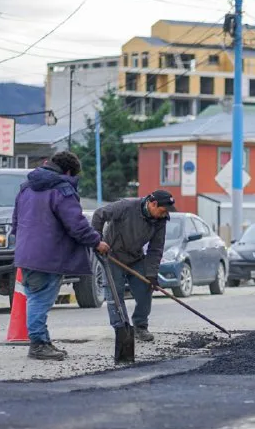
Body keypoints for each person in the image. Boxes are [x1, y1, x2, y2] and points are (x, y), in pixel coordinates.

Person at [12, 151, 110, 361]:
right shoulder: (61, 190)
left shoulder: (26, 188)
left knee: (34, 296)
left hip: (25, 252)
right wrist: (96, 241)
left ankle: (43, 340)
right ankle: (38, 344)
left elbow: (15, 221)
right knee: (40, 299)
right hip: (47, 256)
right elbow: (76, 224)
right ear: (68, 171)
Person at [91, 190, 174, 342]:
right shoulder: (126, 206)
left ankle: (140, 326)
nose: (164, 214)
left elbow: (155, 249)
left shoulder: (160, 220)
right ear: (153, 203)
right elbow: (99, 215)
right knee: (115, 294)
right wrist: (97, 240)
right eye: (162, 210)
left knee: (145, 288)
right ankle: (121, 328)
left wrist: (151, 274)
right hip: (112, 255)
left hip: (135, 257)